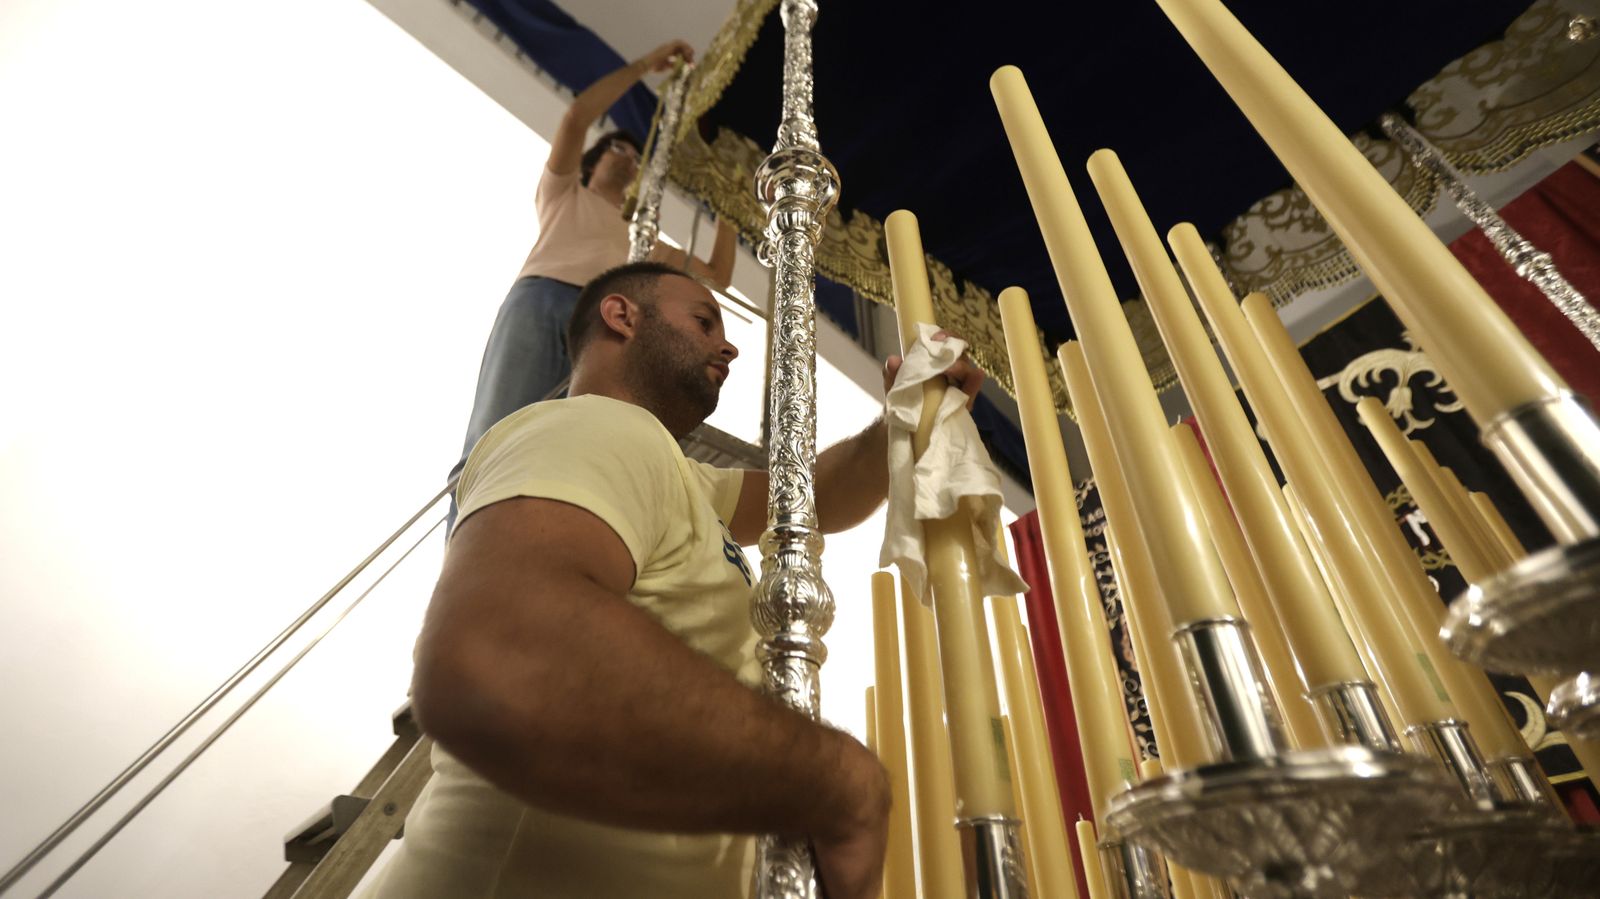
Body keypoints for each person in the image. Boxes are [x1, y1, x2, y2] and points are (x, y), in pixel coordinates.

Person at [364, 261, 983, 899]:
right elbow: (497, 659)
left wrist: (902, 423)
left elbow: (809, 497)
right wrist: (840, 780)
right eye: (703, 319)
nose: (731, 342)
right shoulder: (594, 427)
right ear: (622, 316)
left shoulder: (676, 473)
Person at [449, 38, 738, 525]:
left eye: (633, 152)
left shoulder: (642, 245)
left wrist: (728, 202)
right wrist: (646, 64)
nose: (627, 156)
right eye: (615, 148)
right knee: (497, 431)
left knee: (569, 451)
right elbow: (576, 118)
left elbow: (718, 276)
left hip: (610, 325)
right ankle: (465, 546)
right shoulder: (564, 194)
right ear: (592, 162)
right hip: (543, 299)